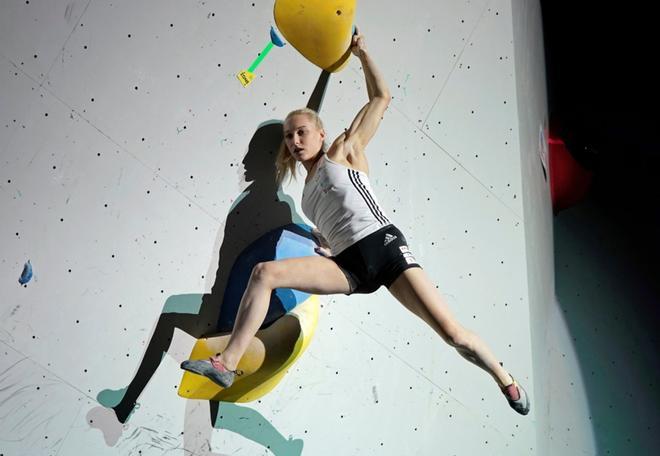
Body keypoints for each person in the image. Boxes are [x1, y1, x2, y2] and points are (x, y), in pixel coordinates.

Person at [182, 28, 530, 415]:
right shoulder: (303, 194)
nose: (295, 141)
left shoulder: (343, 151)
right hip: (348, 265)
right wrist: (328, 244)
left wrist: (362, 55)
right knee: (265, 273)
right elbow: (336, 222)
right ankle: (226, 365)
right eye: (289, 136)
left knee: (454, 335)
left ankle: (504, 377)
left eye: (302, 132)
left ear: (321, 134)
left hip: (384, 248)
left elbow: (381, 98)